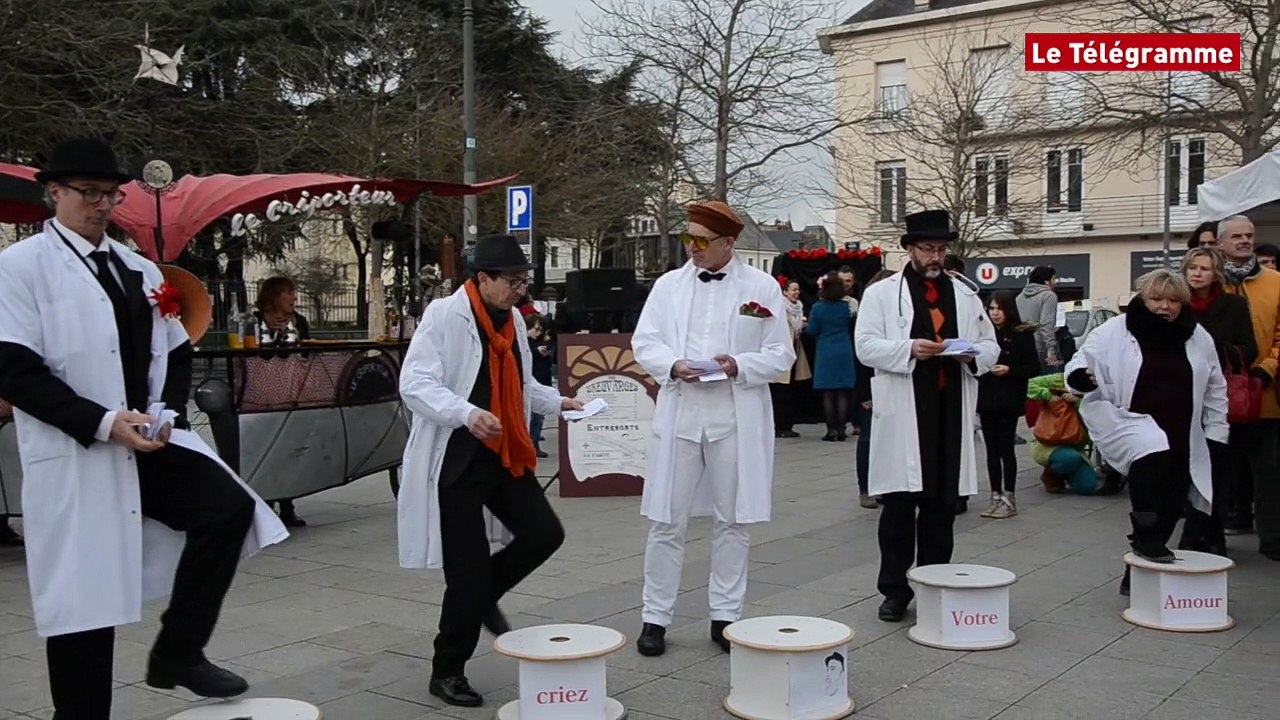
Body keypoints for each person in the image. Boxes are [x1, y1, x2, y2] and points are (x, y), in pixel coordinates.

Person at [0, 137, 287, 719]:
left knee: (226, 508)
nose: (103, 204)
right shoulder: (19, 268)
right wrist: (104, 422)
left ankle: (178, 652)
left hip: (147, 441)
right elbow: (14, 368)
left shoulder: (137, 268)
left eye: (110, 194)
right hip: (78, 450)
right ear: (53, 193)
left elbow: (176, 350)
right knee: (86, 605)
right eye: (89, 193)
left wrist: (167, 414)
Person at [398, 234, 583, 708]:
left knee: (545, 533)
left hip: (504, 451)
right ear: (483, 279)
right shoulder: (443, 315)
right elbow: (415, 383)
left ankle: (483, 595)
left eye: (524, 281)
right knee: (466, 572)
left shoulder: (514, 322)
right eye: (512, 281)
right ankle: (447, 672)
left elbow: (522, 386)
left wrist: (560, 402)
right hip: (457, 457)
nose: (520, 290)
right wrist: (464, 412)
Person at [631, 200, 794, 656]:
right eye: (688, 239)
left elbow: (781, 353)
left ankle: (726, 615)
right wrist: (673, 364)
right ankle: (655, 617)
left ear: (729, 243)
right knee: (665, 518)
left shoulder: (762, 287)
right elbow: (645, 341)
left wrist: (738, 363)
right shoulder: (667, 286)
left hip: (734, 414)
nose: (693, 249)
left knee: (733, 520)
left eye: (702, 241)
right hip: (682, 411)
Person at [854, 209, 999, 623]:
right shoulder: (882, 295)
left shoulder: (966, 294)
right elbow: (865, 346)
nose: (935, 257)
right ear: (910, 250)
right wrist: (908, 350)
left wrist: (969, 352)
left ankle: (936, 585)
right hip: (904, 410)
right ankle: (894, 590)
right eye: (927, 249)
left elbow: (990, 347)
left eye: (941, 249)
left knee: (941, 507)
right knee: (899, 508)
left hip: (948, 409)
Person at [1066, 270, 1228, 588]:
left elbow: (1215, 386)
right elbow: (1081, 359)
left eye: (1172, 300)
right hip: (1129, 421)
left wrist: (1217, 432)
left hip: (1182, 427)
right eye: (1156, 299)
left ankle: (1139, 566)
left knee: (1174, 497)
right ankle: (1145, 533)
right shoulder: (1115, 331)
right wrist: (1079, 377)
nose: (1164, 307)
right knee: (1150, 462)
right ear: (1142, 299)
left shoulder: (1198, 336)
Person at [1180, 248, 1256, 555]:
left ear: (1216, 273)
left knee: (1216, 468)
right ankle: (1208, 537)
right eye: (1193, 267)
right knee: (1187, 469)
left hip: (1218, 397)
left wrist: (1216, 350)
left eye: (1205, 269)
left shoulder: (1234, 305)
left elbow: (1249, 348)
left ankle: (1201, 538)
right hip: (1181, 397)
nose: (1198, 273)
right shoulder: (1176, 304)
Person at [1218, 214, 1280, 559]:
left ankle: (1272, 537)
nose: (1244, 240)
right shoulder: (1211, 282)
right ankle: (1219, 530)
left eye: (1249, 235)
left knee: (1268, 469)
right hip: (1220, 394)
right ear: (1222, 242)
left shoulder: (1276, 282)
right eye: (1237, 236)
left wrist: (1267, 369)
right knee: (1221, 466)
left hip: (1265, 392)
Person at [977, 291, 1039, 519]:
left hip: (1008, 398)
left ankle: (1009, 496)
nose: (994, 313)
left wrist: (1010, 370)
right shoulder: (984, 334)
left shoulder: (1021, 334)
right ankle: (994, 495)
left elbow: (1033, 368)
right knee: (991, 451)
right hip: (986, 397)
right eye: (991, 308)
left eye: (999, 309)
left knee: (1006, 449)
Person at [254, 276, 311, 527]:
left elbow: (305, 353)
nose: (294, 298)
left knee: (288, 448)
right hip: (260, 393)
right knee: (264, 447)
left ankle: (288, 505)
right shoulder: (254, 321)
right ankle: (265, 505)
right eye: (290, 293)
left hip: (290, 390)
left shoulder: (299, 322)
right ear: (276, 296)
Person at [854, 270, 895, 510]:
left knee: (889, 440)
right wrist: (864, 395)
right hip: (870, 385)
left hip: (893, 383)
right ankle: (866, 487)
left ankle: (885, 485)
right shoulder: (865, 317)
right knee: (868, 439)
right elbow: (860, 359)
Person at [805, 271, 857, 441]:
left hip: (825, 350)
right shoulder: (846, 307)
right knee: (842, 391)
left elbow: (812, 330)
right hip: (844, 348)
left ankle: (831, 429)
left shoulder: (818, 308)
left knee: (827, 391)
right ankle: (842, 428)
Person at [770, 279, 811, 439]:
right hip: (781, 351)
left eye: (798, 289)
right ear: (785, 292)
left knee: (792, 389)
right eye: (793, 289)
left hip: (795, 351)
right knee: (780, 390)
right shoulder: (780, 307)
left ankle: (787, 424)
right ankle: (779, 425)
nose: (796, 293)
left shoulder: (798, 308)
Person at [1017, 266, 1060, 373]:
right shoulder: (1049, 296)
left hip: (1021, 345)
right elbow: (1046, 324)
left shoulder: (1019, 297)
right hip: (1040, 347)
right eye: (1053, 279)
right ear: (1046, 281)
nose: (1055, 282)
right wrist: (1051, 349)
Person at [525, 312, 554, 458]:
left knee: (539, 418)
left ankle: (535, 441)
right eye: (535, 329)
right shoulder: (524, 343)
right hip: (532, 381)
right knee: (532, 418)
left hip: (542, 380)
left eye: (540, 330)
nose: (538, 333)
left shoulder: (542, 341)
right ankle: (531, 443)